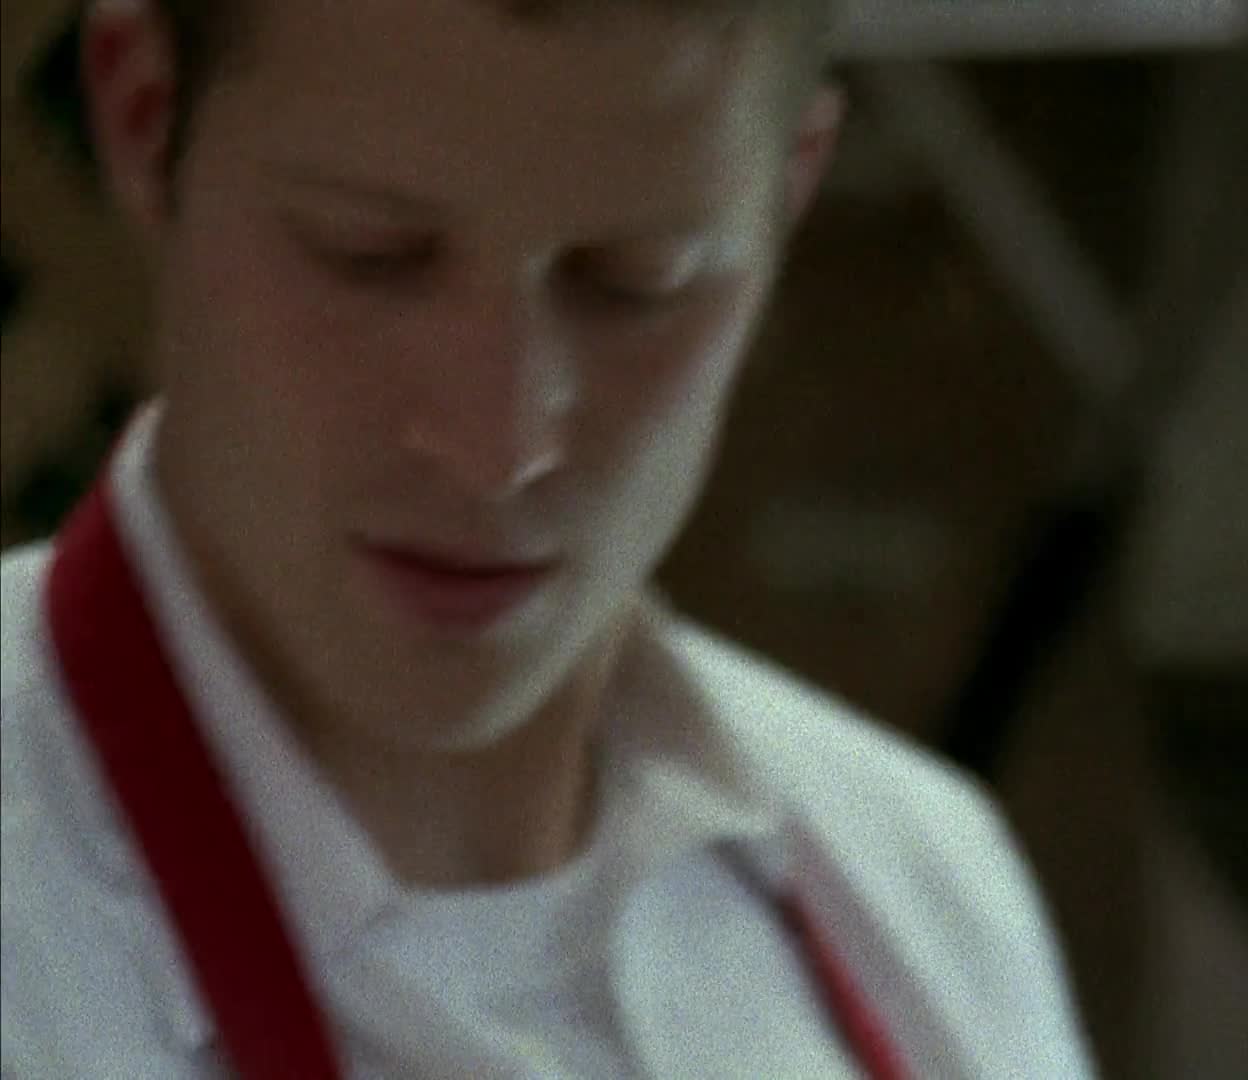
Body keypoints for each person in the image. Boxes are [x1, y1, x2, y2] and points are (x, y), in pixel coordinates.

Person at [0, 0, 1096, 1075]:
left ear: (789, 190)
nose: (499, 446)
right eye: (369, 254)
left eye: (636, 284)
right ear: (143, 116)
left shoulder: (919, 885)